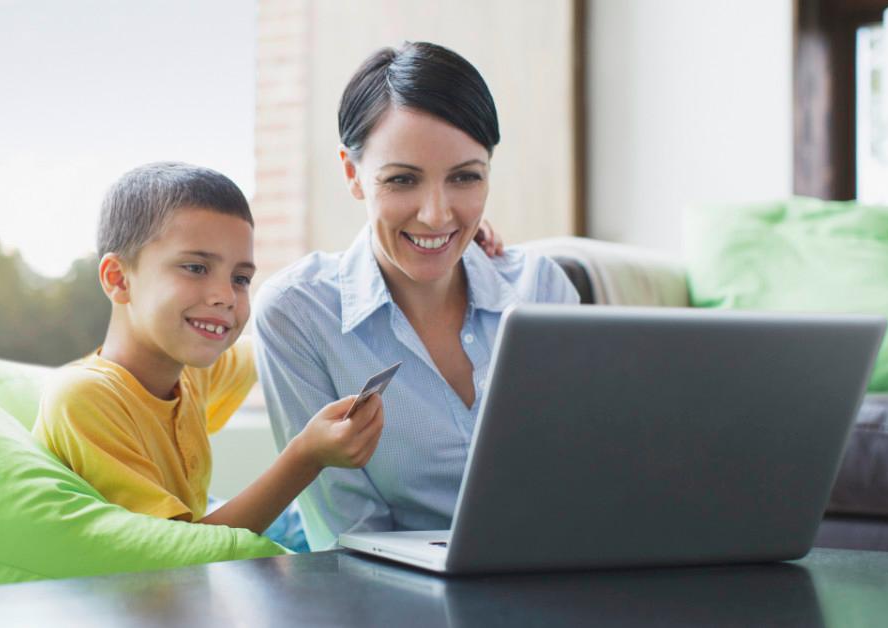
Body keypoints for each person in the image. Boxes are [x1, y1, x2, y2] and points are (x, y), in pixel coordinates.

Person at [253, 42, 579, 550]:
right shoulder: (300, 314)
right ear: (352, 174)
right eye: (402, 180)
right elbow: (348, 540)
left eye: (465, 177)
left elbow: (582, 482)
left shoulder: (541, 289)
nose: (436, 215)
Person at [33, 162, 384, 549]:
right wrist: (307, 457)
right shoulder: (86, 398)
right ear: (118, 279)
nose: (226, 296)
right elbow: (181, 551)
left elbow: (276, 343)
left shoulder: (190, 371)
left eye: (241, 278)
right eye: (196, 268)